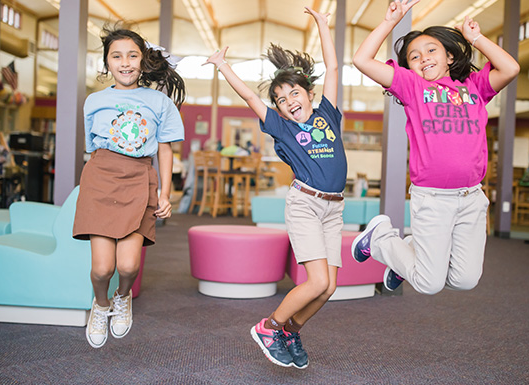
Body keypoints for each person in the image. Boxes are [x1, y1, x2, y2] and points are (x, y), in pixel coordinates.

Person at [204, 7, 347, 369]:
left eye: (294, 93)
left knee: (328, 287)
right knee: (315, 283)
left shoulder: (327, 113)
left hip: (334, 207)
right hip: (305, 205)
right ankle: (269, 327)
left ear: (308, 93)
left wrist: (322, 25)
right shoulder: (281, 128)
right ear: (279, 111)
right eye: (281, 100)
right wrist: (223, 67)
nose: (289, 101)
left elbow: (333, 67)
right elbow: (252, 99)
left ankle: (291, 330)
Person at [351, 0, 519, 295]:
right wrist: (390, 22)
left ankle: (408, 253)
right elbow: (362, 60)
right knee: (429, 283)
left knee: (464, 280)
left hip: (471, 198)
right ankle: (380, 238)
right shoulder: (413, 88)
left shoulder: (475, 88)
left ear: (449, 57)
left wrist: (476, 39)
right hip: (433, 198)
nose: (423, 58)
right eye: (414, 56)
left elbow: (511, 67)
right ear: (410, 67)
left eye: (431, 50)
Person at [73, 23, 186, 348]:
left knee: (128, 265)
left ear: (143, 60)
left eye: (132, 55)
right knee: (101, 268)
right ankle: (101, 303)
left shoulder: (159, 102)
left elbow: (165, 148)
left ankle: (123, 297)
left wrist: (165, 192)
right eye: (117, 56)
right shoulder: (94, 100)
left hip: (139, 179)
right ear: (107, 62)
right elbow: (93, 145)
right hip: (101, 178)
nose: (125, 62)